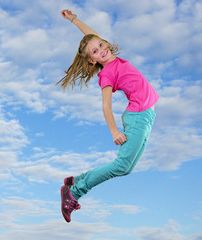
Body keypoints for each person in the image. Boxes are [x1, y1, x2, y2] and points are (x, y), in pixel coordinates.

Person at [57, 10, 159, 223]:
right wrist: (114, 131)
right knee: (122, 165)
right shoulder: (107, 73)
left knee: (127, 168)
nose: (101, 49)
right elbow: (106, 105)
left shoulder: (114, 60)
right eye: (95, 51)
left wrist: (75, 20)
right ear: (92, 60)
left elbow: (93, 37)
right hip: (137, 117)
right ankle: (74, 193)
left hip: (148, 115)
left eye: (101, 45)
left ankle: (75, 180)